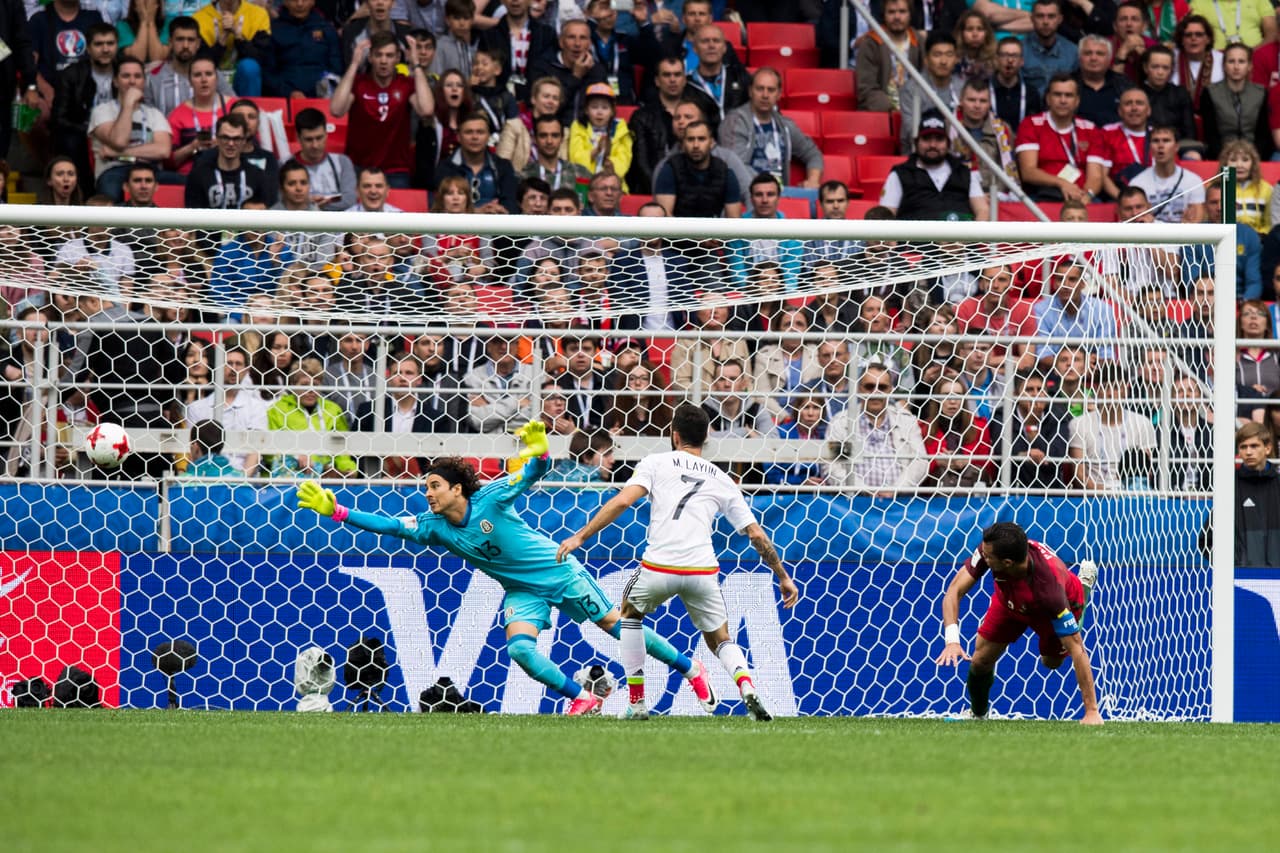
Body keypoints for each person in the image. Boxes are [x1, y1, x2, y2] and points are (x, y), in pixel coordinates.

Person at [297, 420, 715, 716]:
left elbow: (532, 474)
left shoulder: (492, 499)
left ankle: (691, 668)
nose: (427, 494)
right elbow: (390, 525)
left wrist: (539, 453)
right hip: (521, 591)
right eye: (425, 487)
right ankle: (583, 697)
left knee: (617, 627)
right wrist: (337, 510)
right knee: (519, 650)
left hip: (559, 571)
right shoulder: (434, 528)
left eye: (434, 486)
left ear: (457, 489)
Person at [556, 404, 799, 720]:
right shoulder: (722, 478)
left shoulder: (655, 462)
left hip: (659, 567)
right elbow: (756, 534)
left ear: (674, 435)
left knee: (628, 615)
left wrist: (580, 537)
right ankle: (747, 686)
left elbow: (622, 501)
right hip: (702, 570)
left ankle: (637, 702)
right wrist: (782, 575)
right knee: (721, 638)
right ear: (707, 437)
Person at [936, 521, 1103, 725]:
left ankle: (1083, 589)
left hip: (1056, 607)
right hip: (1009, 601)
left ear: (1007, 562)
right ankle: (978, 714)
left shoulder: (1049, 591)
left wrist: (1092, 712)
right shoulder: (991, 549)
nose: (982, 557)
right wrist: (952, 640)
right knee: (980, 660)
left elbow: (1078, 648)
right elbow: (954, 591)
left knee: (1051, 662)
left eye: (988, 557)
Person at [330, 32, 434, 186]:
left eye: (389, 55)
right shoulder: (358, 84)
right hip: (359, 168)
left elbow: (426, 110)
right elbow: (336, 110)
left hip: (396, 169)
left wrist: (416, 64)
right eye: (378, 55)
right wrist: (354, 64)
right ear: (370, 57)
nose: (384, 61)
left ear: (398, 58)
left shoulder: (406, 84)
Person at [825, 361, 929, 494]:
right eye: (869, 386)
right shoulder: (841, 422)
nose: (876, 392)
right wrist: (866, 491)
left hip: (898, 502)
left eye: (882, 387)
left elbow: (920, 463)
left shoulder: (906, 421)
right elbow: (833, 467)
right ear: (858, 388)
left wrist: (895, 490)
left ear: (891, 390)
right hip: (854, 503)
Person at [718, 67, 822, 189]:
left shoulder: (785, 125)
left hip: (780, 195)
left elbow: (812, 153)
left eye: (771, 90)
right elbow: (736, 167)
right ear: (750, 91)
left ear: (778, 94)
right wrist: (769, 187)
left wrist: (813, 180)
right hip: (748, 193)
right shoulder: (735, 122)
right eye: (760, 89)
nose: (765, 95)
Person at [881, 108, 989, 222]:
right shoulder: (900, 173)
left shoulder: (964, 172)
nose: (933, 145)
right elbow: (886, 214)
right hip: (914, 239)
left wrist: (972, 238)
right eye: (926, 139)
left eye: (939, 139)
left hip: (960, 239)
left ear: (948, 143)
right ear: (916, 142)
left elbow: (982, 210)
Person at [89, 56, 174, 200]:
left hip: (150, 172)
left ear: (144, 81)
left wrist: (117, 154)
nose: (132, 81)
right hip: (115, 170)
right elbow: (119, 141)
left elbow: (163, 150)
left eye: (137, 76)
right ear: (115, 81)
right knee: (110, 192)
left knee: (187, 183)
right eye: (126, 76)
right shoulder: (102, 111)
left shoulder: (155, 114)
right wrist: (128, 104)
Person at [1015, 73, 1107, 203]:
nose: (1063, 100)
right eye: (1057, 94)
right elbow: (1028, 172)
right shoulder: (1031, 124)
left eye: (1068, 95)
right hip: (1043, 195)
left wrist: (1086, 197)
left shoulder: (1090, 129)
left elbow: (1096, 176)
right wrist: (1062, 183)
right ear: (1048, 99)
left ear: (1077, 101)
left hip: (1081, 196)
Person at [144, 15, 233, 117]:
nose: (185, 45)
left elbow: (234, 105)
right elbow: (148, 119)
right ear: (170, 42)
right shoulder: (153, 78)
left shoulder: (211, 74)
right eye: (180, 39)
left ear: (198, 43)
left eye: (191, 40)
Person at [1199, 41, 1272, 160]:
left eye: (1241, 61)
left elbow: (1263, 134)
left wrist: (1253, 158)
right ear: (1224, 65)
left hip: (1254, 157)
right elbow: (1211, 134)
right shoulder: (1210, 93)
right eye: (1231, 61)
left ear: (1249, 66)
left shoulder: (1261, 93)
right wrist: (1225, 158)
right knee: (1228, 178)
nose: (1236, 67)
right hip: (1221, 156)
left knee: (1254, 176)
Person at [184, 112, 271, 208]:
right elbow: (192, 216)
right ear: (217, 138)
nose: (230, 143)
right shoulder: (199, 175)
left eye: (236, 139)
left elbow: (264, 212)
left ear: (244, 141)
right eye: (225, 137)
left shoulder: (257, 175)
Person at [898, 31, 965, 154]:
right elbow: (912, 132)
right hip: (921, 154)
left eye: (949, 55)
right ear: (926, 60)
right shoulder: (912, 89)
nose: (943, 61)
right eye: (937, 55)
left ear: (956, 59)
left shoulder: (963, 88)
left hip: (957, 152)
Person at [263, 0, 341, 99]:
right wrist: (289, 92)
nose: (300, 4)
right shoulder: (273, 30)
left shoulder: (327, 29)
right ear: (285, 2)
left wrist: (324, 91)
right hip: (284, 98)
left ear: (313, 1)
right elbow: (268, 72)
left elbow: (336, 68)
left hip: (323, 98)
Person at [192, 0, 271, 96]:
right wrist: (222, 38)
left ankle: (249, 110)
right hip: (213, 80)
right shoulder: (199, 18)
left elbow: (262, 60)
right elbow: (200, 63)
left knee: (250, 67)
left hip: (244, 82)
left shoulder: (259, 14)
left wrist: (237, 34)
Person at [855, 0, 922, 112]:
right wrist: (892, 109)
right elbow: (867, 89)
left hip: (915, 111)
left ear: (910, 14)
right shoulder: (870, 44)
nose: (897, 17)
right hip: (881, 114)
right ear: (884, 15)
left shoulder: (919, 42)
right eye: (891, 12)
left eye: (902, 11)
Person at [293, 107, 357, 210]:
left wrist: (313, 205)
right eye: (309, 139)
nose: (315, 145)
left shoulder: (342, 162)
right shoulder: (284, 164)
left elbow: (350, 199)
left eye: (319, 138)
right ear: (298, 137)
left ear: (326, 134)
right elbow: (281, 200)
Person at [1022, 0, 1078, 97]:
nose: (1045, 22)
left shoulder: (1072, 51)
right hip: (1030, 109)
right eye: (1040, 16)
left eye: (1051, 16)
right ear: (1032, 19)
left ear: (1060, 19)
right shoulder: (1020, 51)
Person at [990, 36, 1042, 132]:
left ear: (1022, 61)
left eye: (1014, 56)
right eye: (1005, 55)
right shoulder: (985, 89)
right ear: (996, 59)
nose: (1010, 60)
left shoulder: (1031, 93)